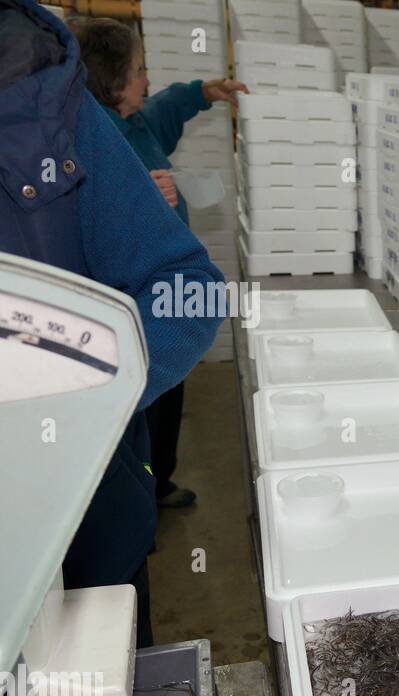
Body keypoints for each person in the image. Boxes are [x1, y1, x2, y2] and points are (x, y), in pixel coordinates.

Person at [0, 0, 226, 646]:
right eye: (141, 70)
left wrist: (88, 403)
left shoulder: (61, 111)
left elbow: (185, 285)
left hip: (88, 537)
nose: (147, 83)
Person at [68, 16, 247, 510]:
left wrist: (204, 91)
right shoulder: (95, 139)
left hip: (161, 306)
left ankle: (157, 481)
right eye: (139, 69)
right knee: (142, 417)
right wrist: (148, 198)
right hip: (133, 310)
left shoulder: (137, 122)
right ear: (111, 79)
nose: (147, 79)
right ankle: (141, 494)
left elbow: (167, 105)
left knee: (167, 406)